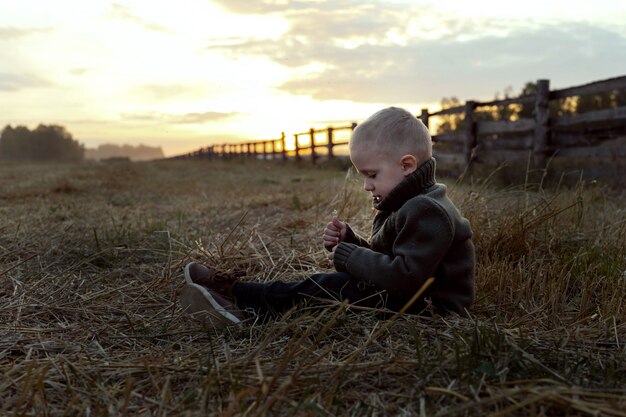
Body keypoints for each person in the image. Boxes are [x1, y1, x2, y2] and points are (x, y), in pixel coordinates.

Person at [180, 107, 475, 329]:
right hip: (407, 299)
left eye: (372, 175)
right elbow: (390, 260)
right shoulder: (409, 202)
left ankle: (239, 300)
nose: (366, 185)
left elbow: (406, 278)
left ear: (407, 165)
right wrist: (351, 241)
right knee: (329, 287)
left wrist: (350, 255)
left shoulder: (427, 209)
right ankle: (246, 301)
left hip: (430, 311)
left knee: (327, 287)